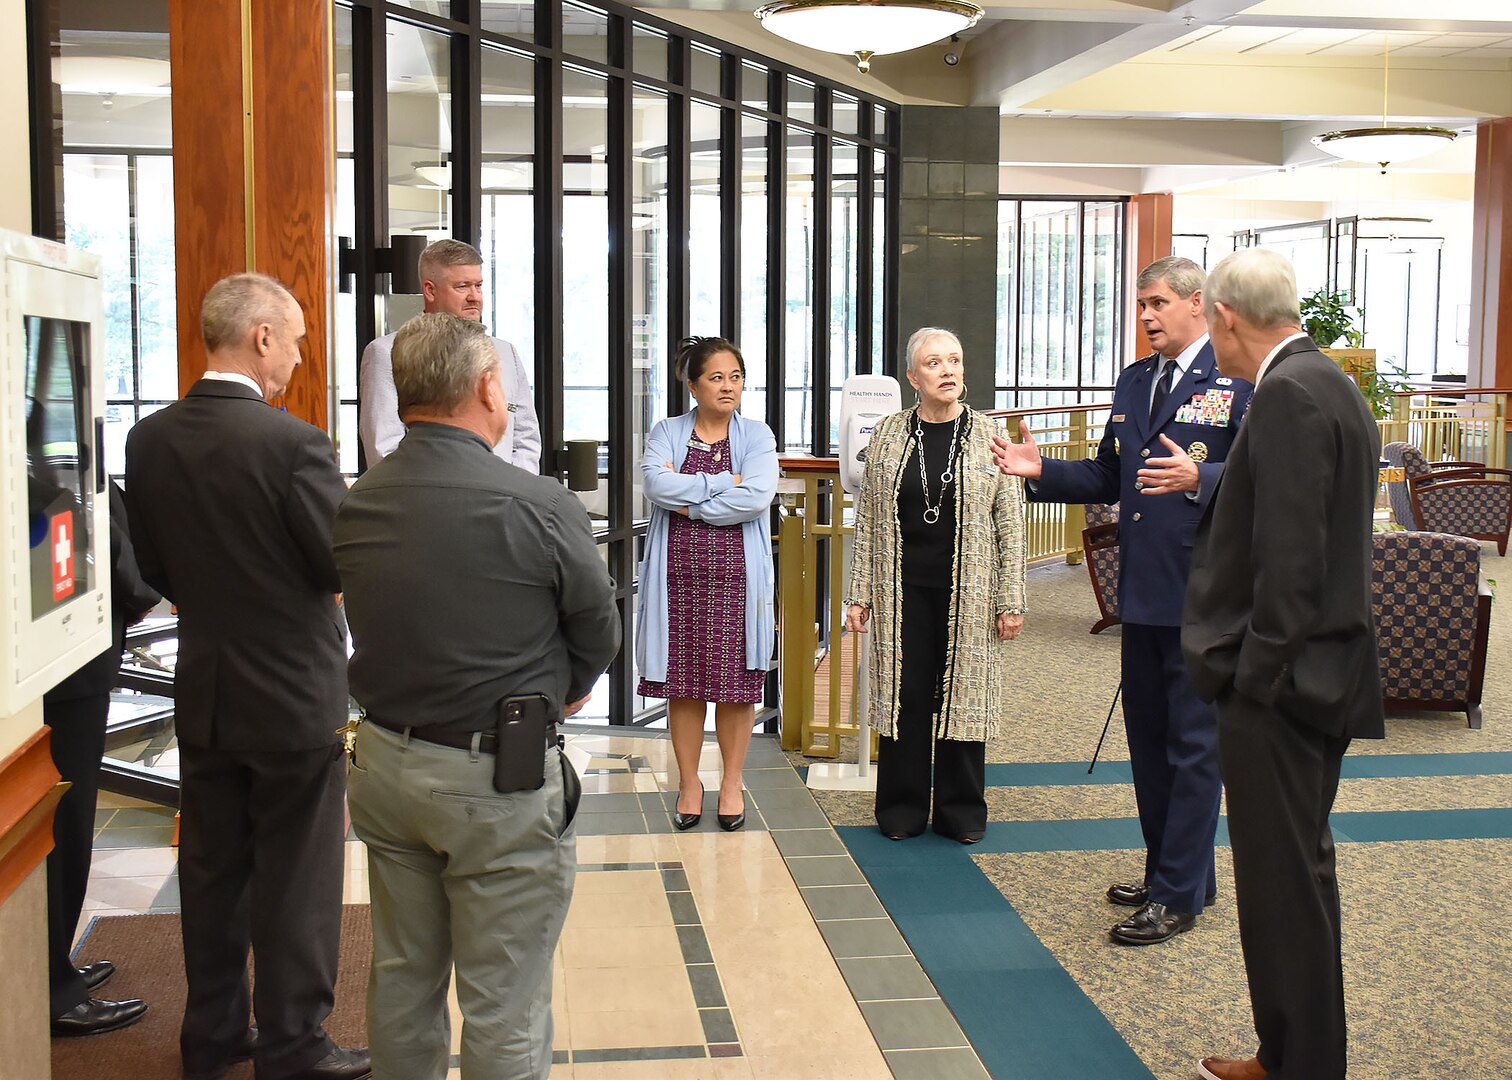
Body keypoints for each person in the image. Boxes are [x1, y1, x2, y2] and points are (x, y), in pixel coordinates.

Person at [335, 312, 619, 1080]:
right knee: (504, 1000)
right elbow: (598, 630)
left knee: (401, 975)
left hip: (385, 769)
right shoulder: (539, 504)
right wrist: (563, 691)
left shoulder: (357, 502)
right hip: (497, 779)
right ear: (489, 387)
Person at [124, 273, 369, 1080]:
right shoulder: (292, 444)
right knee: (298, 876)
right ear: (262, 337)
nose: (299, 358)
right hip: (294, 696)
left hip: (206, 690)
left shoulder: (149, 439)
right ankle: (295, 1045)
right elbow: (337, 564)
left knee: (212, 871)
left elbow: (153, 566)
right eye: (296, 340)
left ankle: (214, 1035)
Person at [991, 256, 1253, 946]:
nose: (1146, 316)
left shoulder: (1238, 378)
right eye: (1140, 305)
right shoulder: (1137, 381)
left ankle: (1178, 895)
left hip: (1204, 592)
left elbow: (1264, 472)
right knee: (1150, 743)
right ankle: (1178, 869)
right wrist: (1040, 469)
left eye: (1158, 303)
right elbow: (1111, 471)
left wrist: (1206, 473)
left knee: (1193, 747)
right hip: (1141, 591)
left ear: (1198, 303)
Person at [1182, 249, 1384, 1080]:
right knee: (1293, 877)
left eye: (1208, 322)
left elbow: (1292, 564)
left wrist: (1252, 679)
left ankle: (1300, 1064)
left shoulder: (1289, 395)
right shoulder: (1328, 381)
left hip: (1284, 688)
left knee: (1282, 886)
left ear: (1225, 315)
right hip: (1315, 676)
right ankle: (1292, 1052)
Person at [845, 327, 1027, 843]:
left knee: (964, 701)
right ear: (912, 376)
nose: (947, 371)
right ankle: (901, 808)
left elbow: (1009, 525)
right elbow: (870, 519)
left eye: (955, 360)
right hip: (900, 590)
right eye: (934, 363)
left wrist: (1010, 598)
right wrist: (859, 593)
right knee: (904, 698)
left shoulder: (990, 436)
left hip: (968, 591)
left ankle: (960, 811)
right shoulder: (888, 433)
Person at [636, 337, 778, 831]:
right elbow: (654, 484)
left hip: (738, 583)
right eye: (716, 378)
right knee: (685, 687)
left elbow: (757, 498)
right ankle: (690, 781)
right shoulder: (666, 432)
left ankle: (733, 781)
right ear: (693, 384)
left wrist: (689, 500)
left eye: (735, 377)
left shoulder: (757, 435)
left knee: (738, 688)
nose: (728, 387)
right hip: (678, 583)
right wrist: (725, 483)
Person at [45, 481, 159, 1037]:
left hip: (60, 669)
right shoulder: (57, 485)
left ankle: (52, 964)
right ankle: (51, 988)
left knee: (67, 827)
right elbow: (125, 571)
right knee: (62, 828)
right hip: (62, 674)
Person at [358, 239, 540, 472]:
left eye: (479, 285)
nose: (474, 296)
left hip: (505, 500)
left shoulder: (506, 353)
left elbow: (526, 438)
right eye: (462, 286)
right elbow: (383, 448)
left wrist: (514, 492)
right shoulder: (386, 353)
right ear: (430, 290)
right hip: (426, 501)